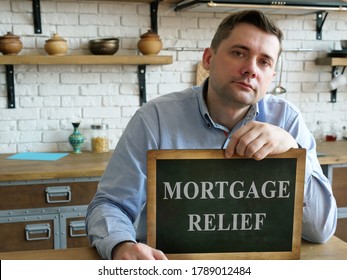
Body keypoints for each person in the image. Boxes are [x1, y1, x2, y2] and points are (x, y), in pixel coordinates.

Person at [86, 10, 337, 260]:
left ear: (271, 77)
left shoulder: (287, 120)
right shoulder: (155, 119)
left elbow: (321, 230)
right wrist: (121, 245)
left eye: (264, 62)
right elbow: (110, 204)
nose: (251, 69)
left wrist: (293, 150)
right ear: (208, 59)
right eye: (239, 53)